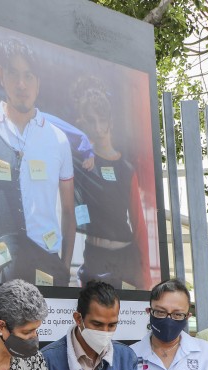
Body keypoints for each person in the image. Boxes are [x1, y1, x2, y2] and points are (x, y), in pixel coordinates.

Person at [0, 37, 75, 286]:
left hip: (48, 266)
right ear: (1, 75)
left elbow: (68, 210)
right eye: (14, 74)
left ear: (39, 82)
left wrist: (64, 266)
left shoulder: (58, 139)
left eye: (29, 76)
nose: (21, 84)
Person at [71, 76, 150, 290]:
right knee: (95, 321)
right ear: (82, 122)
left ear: (110, 121)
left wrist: (145, 276)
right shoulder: (80, 164)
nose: (98, 127)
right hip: (94, 257)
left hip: (125, 258)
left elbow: (139, 224)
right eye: (91, 120)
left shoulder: (126, 169)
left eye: (102, 119)